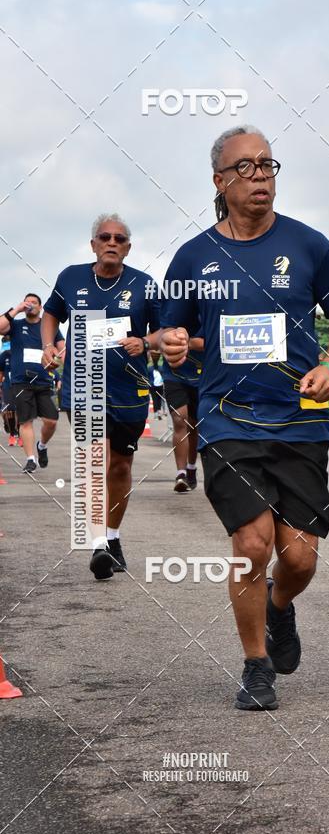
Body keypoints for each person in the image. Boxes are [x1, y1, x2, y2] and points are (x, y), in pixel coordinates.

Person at [159, 125, 329, 710]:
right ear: (220, 181)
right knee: (252, 544)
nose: (261, 177)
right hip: (227, 418)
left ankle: (278, 606)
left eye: (268, 165)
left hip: (299, 420)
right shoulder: (194, 256)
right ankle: (255, 665)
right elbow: (174, 330)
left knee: (297, 558)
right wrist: (171, 341)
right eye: (245, 168)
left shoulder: (310, 246)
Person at [41, 213, 161, 581]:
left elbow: (165, 331)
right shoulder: (71, 277)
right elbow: (50, 314)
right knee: (94, 461)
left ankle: (112, 535)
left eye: (120, 239)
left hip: (129, 390)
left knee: (119, 466)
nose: (112, 242)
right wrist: (49, 344)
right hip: (83, 386)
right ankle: (99, 545)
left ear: (128, 247)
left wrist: (145, 341)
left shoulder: (144, 285)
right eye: (105, 237)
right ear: (93, 243)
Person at [0, 295, 64, 471]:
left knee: (51, 421)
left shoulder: (48, 327)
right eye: (27, 302)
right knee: (25, 421)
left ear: (41, 307)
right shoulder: (16, 325)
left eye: (34, 303)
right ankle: (30, 459)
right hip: (21, 382)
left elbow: (62, 347)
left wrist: (59, 359)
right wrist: (17, 309)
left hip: (44, 381)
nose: (30, 305)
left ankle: (41, 446)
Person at [161, 342, 203, 493]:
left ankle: (191, 467)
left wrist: (190, 342)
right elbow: (158, 336)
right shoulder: (170, 319)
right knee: (180, 419)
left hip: (203, 374)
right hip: (174, 375)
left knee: (194, 425)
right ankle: (181, 474)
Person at [0, 338, 20, 446]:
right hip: (7, 386)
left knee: (21, 410)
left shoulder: (21, 353)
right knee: (9, 410)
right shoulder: (4, 355)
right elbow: (1, 372)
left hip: (21, 385)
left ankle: (21, 435)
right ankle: (12, 434)